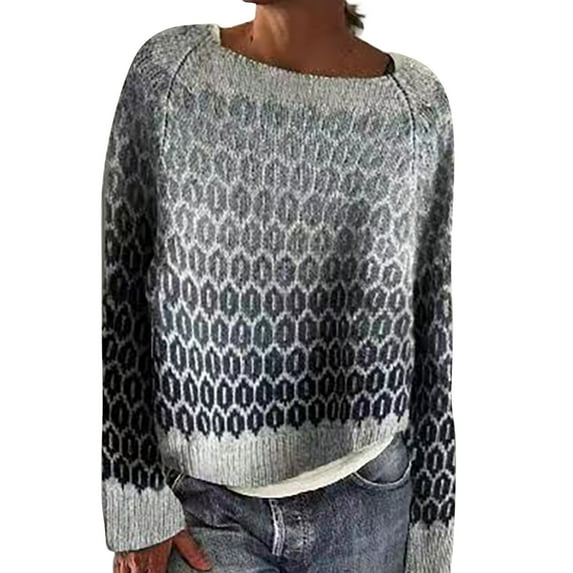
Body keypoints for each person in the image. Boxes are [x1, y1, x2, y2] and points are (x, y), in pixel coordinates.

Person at [101, 1, 456, 572]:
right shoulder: (171, 77)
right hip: (206, 510)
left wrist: (433, 537)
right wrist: (137, 502)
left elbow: (432, 319)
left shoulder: (415, 107)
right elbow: (123, 294)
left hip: (370, 502)